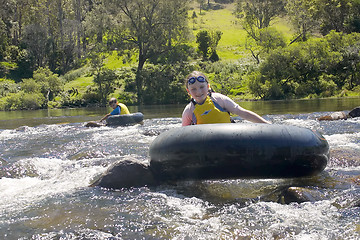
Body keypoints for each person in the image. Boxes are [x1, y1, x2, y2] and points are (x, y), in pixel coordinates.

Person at [182, 71, 271, 126]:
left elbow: (243, 113)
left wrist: (267, 125)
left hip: (229, 140)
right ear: (188, 91)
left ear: (208, 86)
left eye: (202, 87)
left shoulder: (219, 99)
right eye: (193, 89)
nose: (198, 92)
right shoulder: (189, 111)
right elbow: (182, 134)